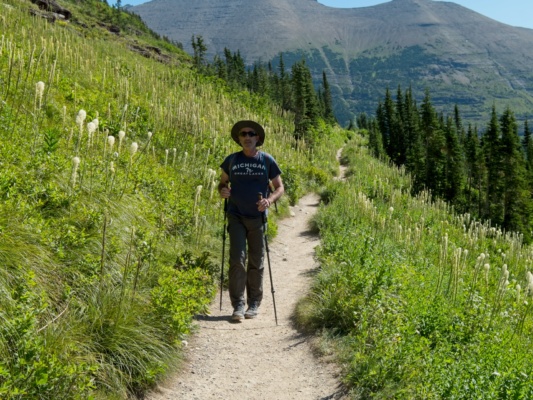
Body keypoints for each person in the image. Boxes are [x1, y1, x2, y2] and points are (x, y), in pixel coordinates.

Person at [218, 120, 284, 322]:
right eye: (243, 134)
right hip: (235, 214)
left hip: (258, 218)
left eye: (251, 134)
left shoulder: (266, 160)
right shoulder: (231, 160)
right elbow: (222, 182)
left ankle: (253, 303)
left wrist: (269, 200)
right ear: (239, 138)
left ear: (258, 138)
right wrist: (223, 191)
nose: (247, 137)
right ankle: (238, 305)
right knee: (237, 259)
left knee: (256, 261)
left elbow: (279, 187)